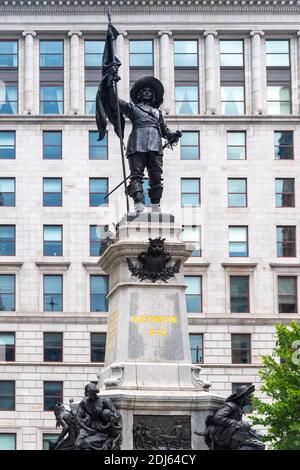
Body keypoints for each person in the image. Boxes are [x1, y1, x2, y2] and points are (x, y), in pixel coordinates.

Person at [198, 384, 265, 450]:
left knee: (259, 443)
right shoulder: (231, 405)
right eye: (248, 396)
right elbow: (218, 417)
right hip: (223, 436)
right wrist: (236, 423)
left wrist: (253, 431)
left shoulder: (238, 407)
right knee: (258, 445)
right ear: (243, 397)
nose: (250, 398)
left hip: (233, 433)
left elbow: (239, 425)